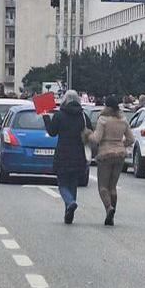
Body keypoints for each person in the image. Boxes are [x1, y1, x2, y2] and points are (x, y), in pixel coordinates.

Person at [44, 90, 92, 225]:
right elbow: (90, 132)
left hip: (63, 153)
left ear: (65, 100)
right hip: (78, 153)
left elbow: (52, 132)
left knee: (62, 184)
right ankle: (69, 213)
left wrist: (46, 117)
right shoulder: (83, 116)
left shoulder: (60, 115)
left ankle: (70, 203)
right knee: (73, 184)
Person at [89, 95, 135, 226]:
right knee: (113, 186)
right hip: (120, 154)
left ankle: (109, 208)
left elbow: (97, 139)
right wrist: (121, 145)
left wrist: (88, 135)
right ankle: (112, 214)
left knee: (103, 186)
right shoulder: (123, 120)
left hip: (105, 154)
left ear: (107, 106)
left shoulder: (103, 120)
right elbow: (131, 139)